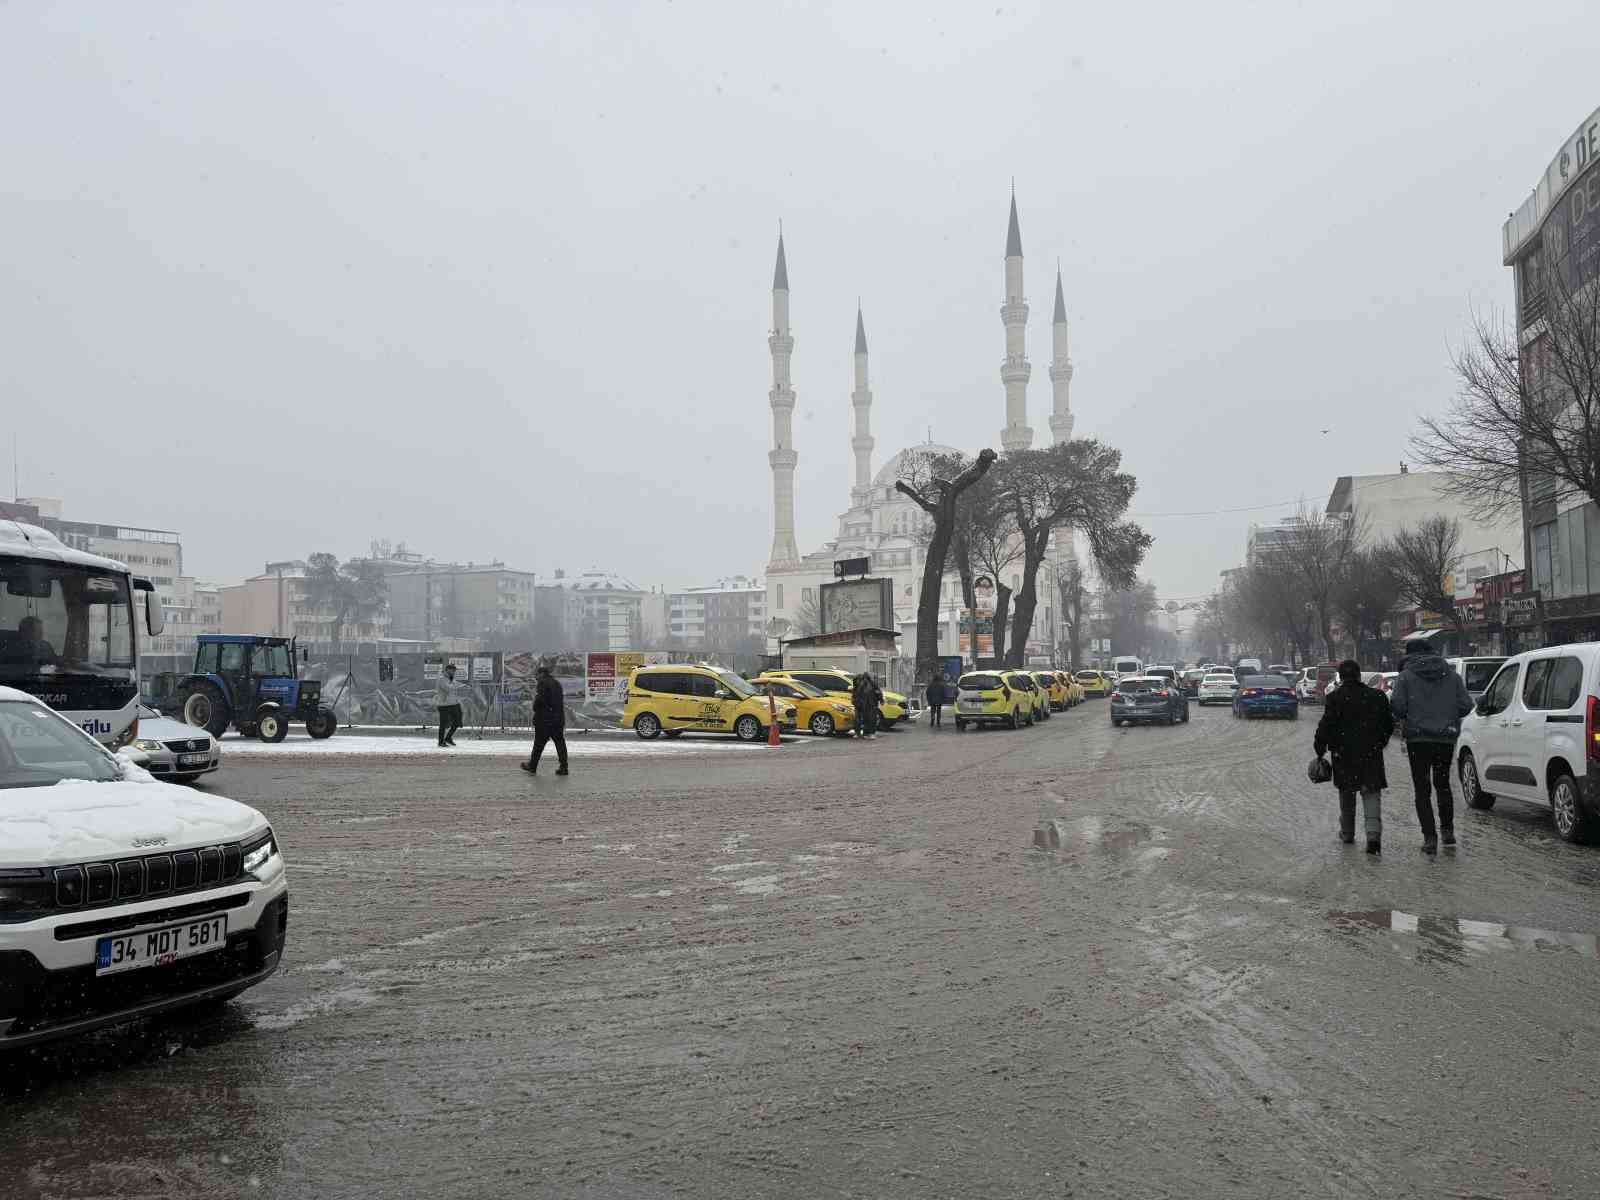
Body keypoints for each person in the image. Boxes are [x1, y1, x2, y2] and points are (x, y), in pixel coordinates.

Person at [1388, 636, 1474, 854]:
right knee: (1443, 785)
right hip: (1445, 739)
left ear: (1409, 655)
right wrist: (1447, 715)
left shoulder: (1405, 677)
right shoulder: (1452, 676)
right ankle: (1447, 831)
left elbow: (1397, 707)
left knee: (1422, 789)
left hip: (1418, 740)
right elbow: (1466, 705)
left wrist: (1413, 714)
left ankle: (1430, 838)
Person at [1313, 659, 1395, 854]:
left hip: (1344, 755)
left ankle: (1348, 833)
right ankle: (1373, 836)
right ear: (1359, 675)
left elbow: (1326, 725)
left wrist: (1320, 748)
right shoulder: (1377, 696)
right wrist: (1380, 742)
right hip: (1371, 753)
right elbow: (1388, 723)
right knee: (1371, 792)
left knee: (1347, 793)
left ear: (1341, 677)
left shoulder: (1334, 698)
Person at [522, 664, 569, 775]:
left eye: (537, 675)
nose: (536, 677)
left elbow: (540, 699)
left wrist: (535, 707)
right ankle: (564, 767)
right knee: (560, 744)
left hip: (545, 720)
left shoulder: (543, 683)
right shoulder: (557, 683)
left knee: (538, 744)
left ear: (541, 674)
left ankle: (532, 766)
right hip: (558, 719)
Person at [433, 662, 467, 747]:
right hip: (444, 704)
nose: (454, 672)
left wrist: (465, 685)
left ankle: (448, 737)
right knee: (443, 724)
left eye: (454, 670)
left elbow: (456, 684)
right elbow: (448, 688)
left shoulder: (451, 679)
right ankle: (441, 741)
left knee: (458, 721)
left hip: (454, 703)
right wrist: (458, 686)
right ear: (447, 670)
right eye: (452, 670)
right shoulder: (442, 679)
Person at [851, 672, 881, 740]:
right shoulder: (858, 686)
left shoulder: (872, 685)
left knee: (870, 719)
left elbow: (878, 693)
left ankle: (869, 733)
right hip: (861, 705)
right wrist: (855, 701)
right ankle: (861, 733)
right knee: (859, 719)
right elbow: (855, 695)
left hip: (870, 705)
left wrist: (879, 699)